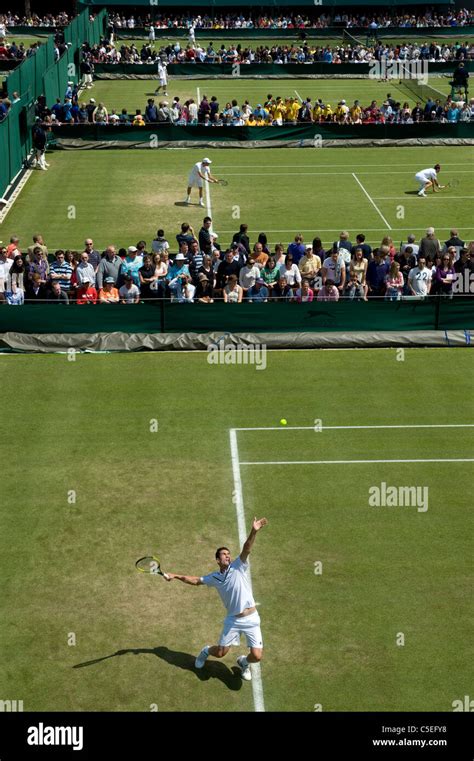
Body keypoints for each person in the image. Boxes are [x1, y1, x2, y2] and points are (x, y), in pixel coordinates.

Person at [165, 517, 268, 681]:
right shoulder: (214, 577)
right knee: (220, 653)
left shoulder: (238, 566)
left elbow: (247, 548)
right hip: (233, 620)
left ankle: (243, 662)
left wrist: (254, 531)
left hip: (252, 618)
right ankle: (205, 651)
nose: (228, 556)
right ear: (218, 560)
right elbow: (195, 580)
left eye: (229, 554)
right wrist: (175, 575)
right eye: (224, 554)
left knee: (256, 656)